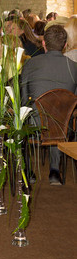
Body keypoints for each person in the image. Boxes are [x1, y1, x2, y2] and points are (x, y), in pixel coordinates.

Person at [20, 24, 77, 185]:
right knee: (58, 113)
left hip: (35, 126)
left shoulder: (30, 64)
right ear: (65, 45)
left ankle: (28, 171)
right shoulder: (74, 68)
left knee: (26, 116)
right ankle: (54, 171)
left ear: (43, 43)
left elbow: (24, 100)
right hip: (65, 128)